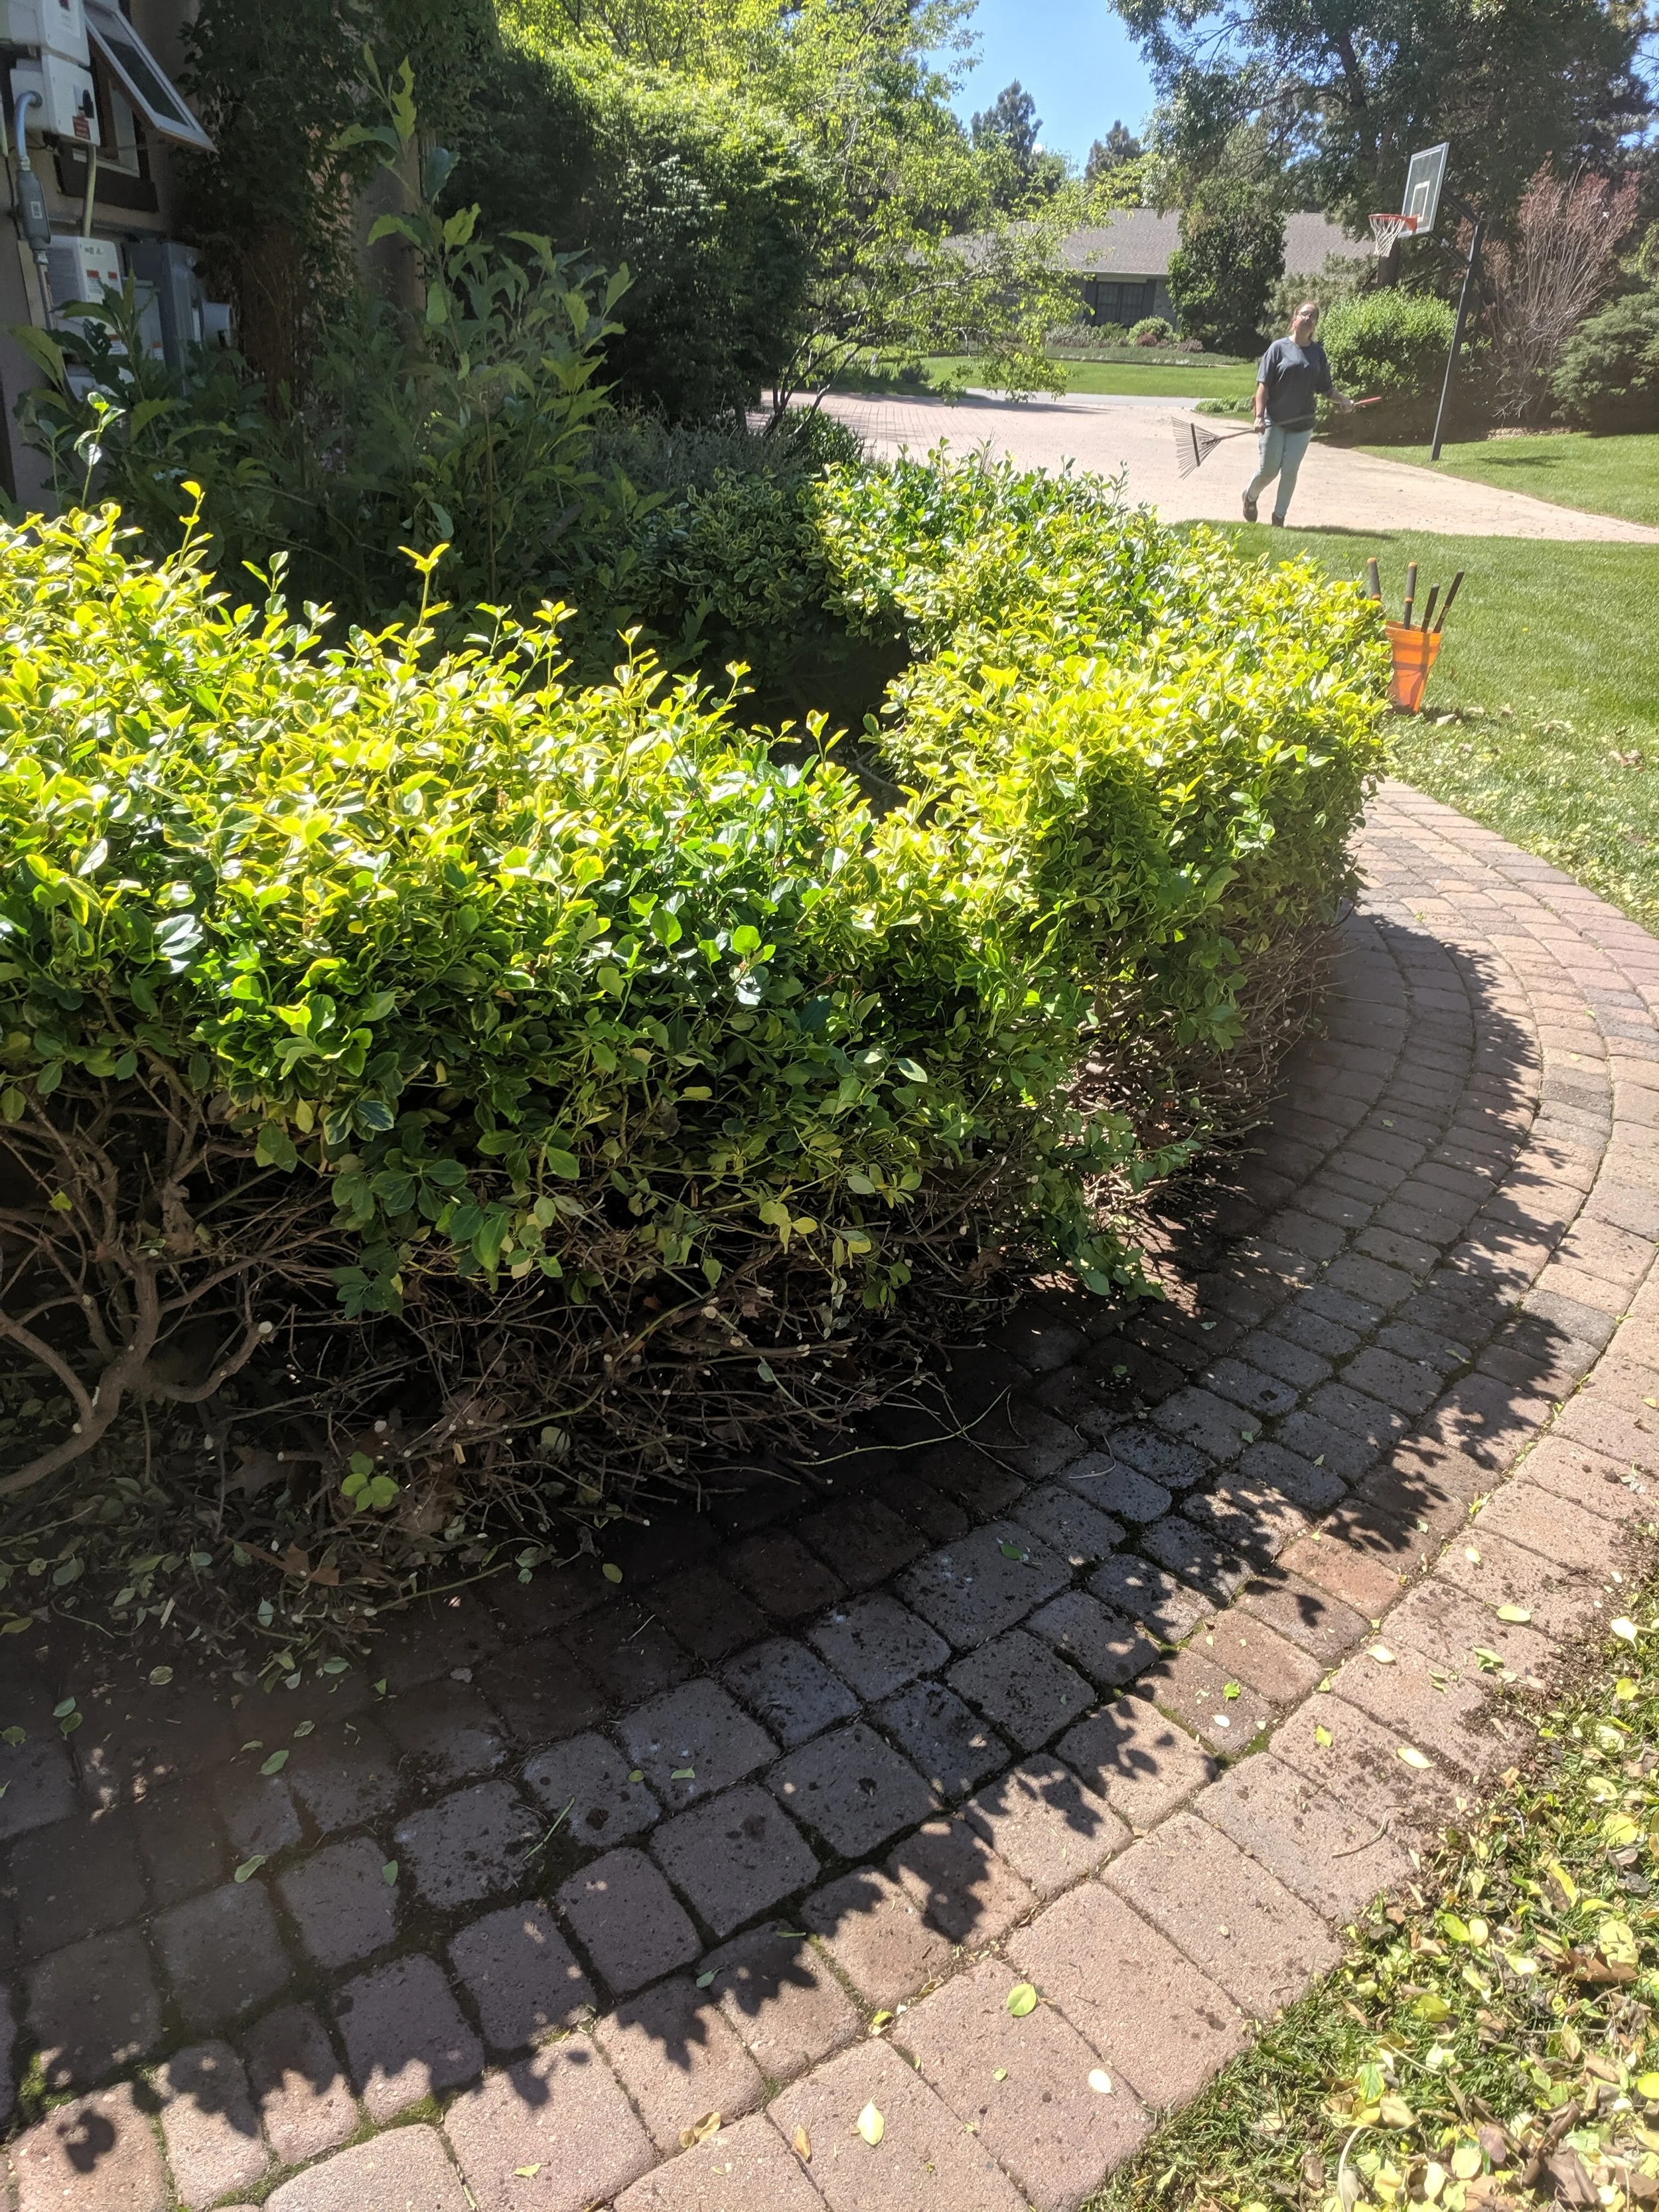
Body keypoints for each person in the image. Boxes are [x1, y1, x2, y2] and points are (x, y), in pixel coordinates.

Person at [1243, 301, 1355, 525]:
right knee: (1269, 470)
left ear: (1315, 325)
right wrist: (1259, 416)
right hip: (1273, 419)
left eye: (1313, 317)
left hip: (1302, 422)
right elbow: (1263, 385)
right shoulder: (1278, 348)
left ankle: (1279, 517)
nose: (1308, 319)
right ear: (1294, 319)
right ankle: (1250, 496)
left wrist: (1343, 400)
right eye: (1305, 314)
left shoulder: (1317, 354)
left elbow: (1326, 388)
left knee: (1291, 471)